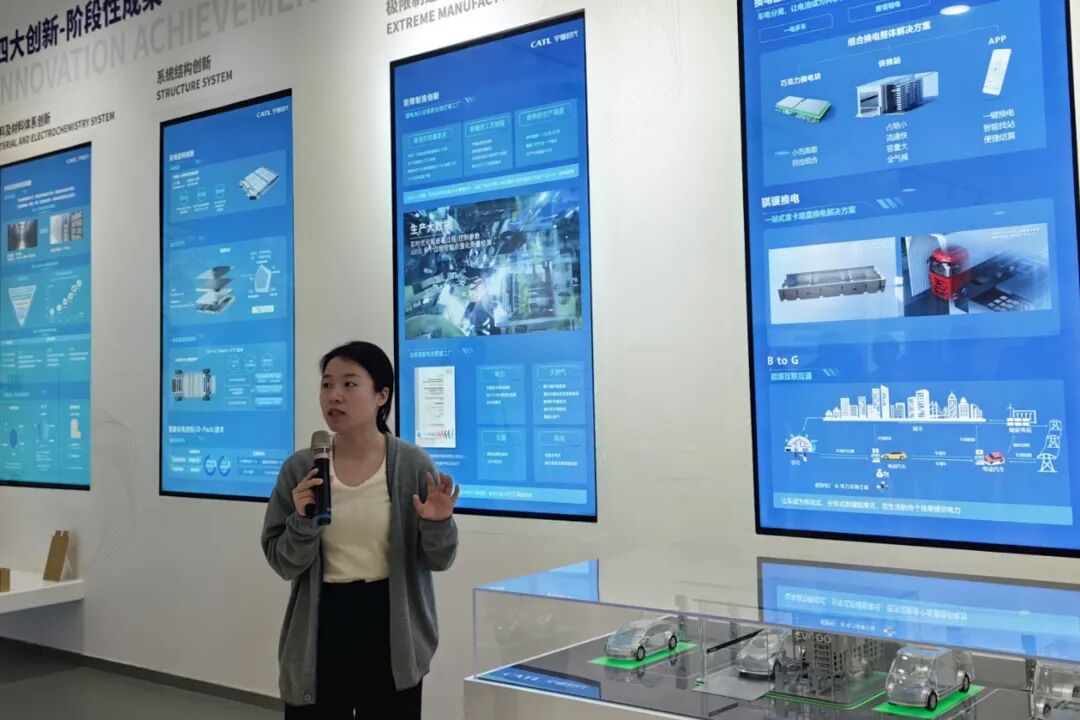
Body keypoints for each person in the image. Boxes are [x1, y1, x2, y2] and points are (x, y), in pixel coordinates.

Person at [261, 341, 460, 719]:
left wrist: (437, 524)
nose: (334, 395)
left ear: (382, 396)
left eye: (349, 384)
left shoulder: (412, 465)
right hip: (321, 624)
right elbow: (283, 562)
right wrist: (302, 521)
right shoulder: (300, 469)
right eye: (327, 384)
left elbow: (440, 559)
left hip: (390, 625)